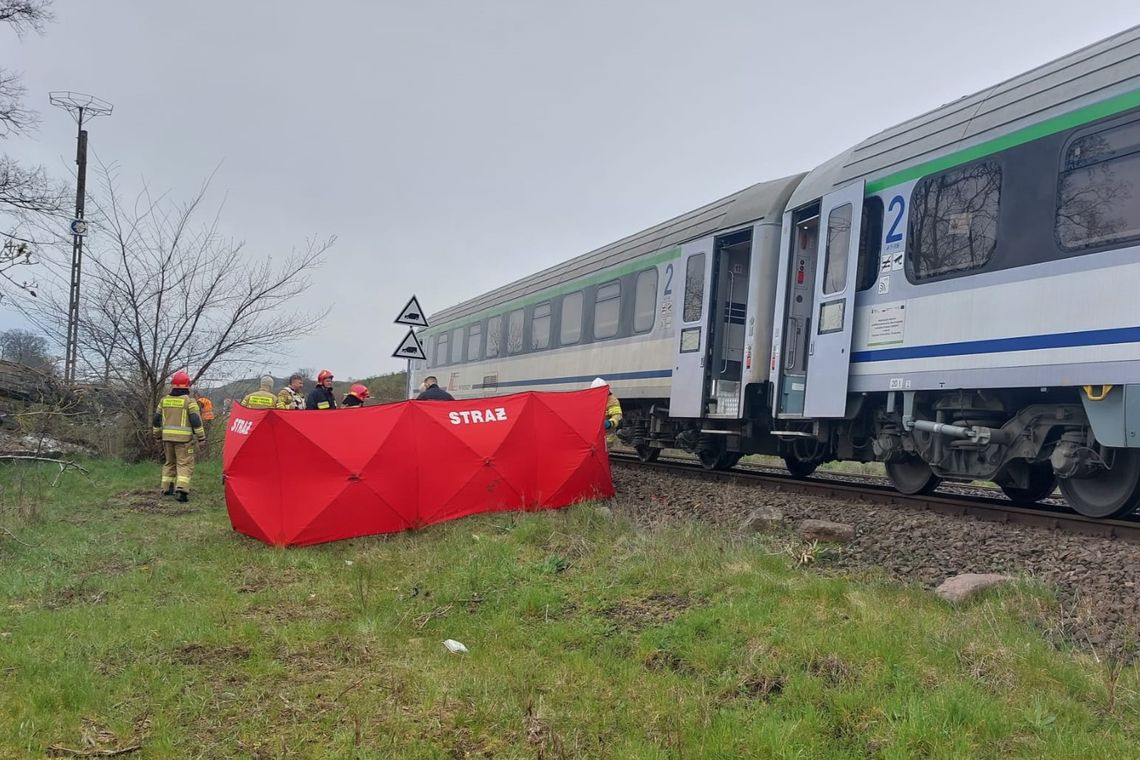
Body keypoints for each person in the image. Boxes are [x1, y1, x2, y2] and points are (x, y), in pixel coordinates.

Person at [153, 370, 207, 503]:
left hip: (167, 439)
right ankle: (181, 491)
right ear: (187, 385)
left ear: (173, 385)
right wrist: (201, 438)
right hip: (184, 441)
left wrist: (157, 435)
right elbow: (196, 421)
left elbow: (156, 420)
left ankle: (166, 488)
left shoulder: (163, 401)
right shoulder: (190, 402)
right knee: (184, 464)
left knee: (169, 463)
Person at [592, 377, 623, 448]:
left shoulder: (612, 401)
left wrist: (610, 423)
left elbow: (617, 416)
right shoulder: (591, 399)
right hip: (594, 432)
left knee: (603, 450)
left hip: (607, 434)